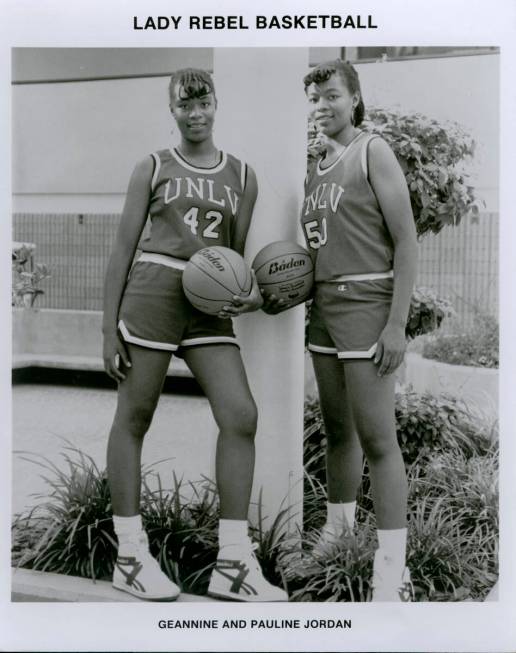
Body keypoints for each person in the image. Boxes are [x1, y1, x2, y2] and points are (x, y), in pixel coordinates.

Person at [102, 68, 287, 602]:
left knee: (240, 415)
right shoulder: (153, 166)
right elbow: (122, 250)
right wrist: (106, 327)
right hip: (154, 293)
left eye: (203, 102)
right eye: (185, 106)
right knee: (135, 416)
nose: (196, 113)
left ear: (215, 105)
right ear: (173, 111)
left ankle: (232, 564)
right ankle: (131, 555)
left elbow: (236, 257)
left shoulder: (243, 176)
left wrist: (253, 294)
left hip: (208, 304)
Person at [299, 59, 418, 601]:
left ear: (354, 98)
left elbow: (407, 241)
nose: (320, 105)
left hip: (369, 303)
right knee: (337, 431)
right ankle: (338, 533)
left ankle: (393, 568)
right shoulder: (317, 165)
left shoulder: (373, 149)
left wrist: (397, 323)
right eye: (314, 97)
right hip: (324, 307)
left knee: (378, 439)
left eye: (330, 95)